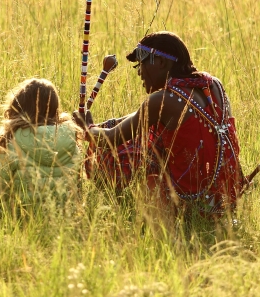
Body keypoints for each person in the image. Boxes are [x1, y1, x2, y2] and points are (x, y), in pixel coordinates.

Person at [77, 31, 246, 212]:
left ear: (162, 63)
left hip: (194, 205)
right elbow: (136, 118)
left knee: (110, 151)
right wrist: (103, 125)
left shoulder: (162, 101)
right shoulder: (212, 85)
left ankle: (120, 206)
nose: (139, 71)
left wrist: (87, 128)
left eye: (141, 64)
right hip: (229, 197)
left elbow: (112, 137)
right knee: (150, 137)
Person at [0, 78, 81, 211]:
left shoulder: (11, 141)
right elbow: (77, 188)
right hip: (63, 219)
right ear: (54, 108)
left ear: (18, 107)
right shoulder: (71, 140)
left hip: (20, 216)